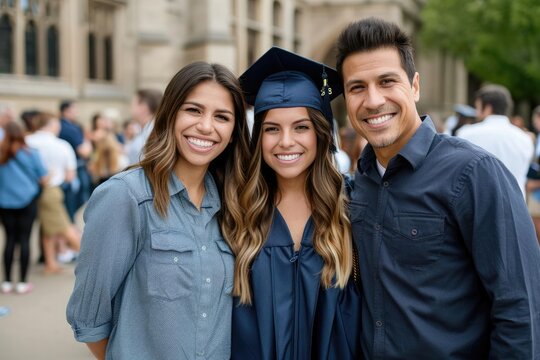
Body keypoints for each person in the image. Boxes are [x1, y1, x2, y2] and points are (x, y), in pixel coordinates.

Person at [335, 17, 540, 358]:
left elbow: (522, 310)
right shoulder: (362, 182)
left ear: (414, 86)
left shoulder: (474, 173)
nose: (373, 100)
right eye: (357, 87)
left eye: (387, 81)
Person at [66, 62, 250, 360]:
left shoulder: (233, 205)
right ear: (170, 114)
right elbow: (90, 318)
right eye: (193, 110)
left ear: (233, 132)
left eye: (222, 117)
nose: (206, 126)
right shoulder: (126, 196)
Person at [229, 47, 360, 359]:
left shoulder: (352, 204)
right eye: (272, 129)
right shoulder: (237, 208)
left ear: (320, 132)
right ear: (257, 137)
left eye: (301, 127)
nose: (285, 141)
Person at [26, 112, 81, 273]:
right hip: (52, 189)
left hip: (29, 191)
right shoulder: (62, 145)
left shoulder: (26, 141)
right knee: (66, 228)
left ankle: (50, 263)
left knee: (47, 228)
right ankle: (94, 264)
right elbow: (70, 175)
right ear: (50, 124)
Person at [457, 84, 534, 196]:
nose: (476, 112)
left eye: (477, 107)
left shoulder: (466, 133)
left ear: (488, 108)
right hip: (516, 205)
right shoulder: (525, 139)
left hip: (478, 203)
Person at [0, 122, 47, 294]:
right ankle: (22, 283)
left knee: (9, 239)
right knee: (25, 240)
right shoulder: (31, 153)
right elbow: (43, 177)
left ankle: (5, 282)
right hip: (27, 200)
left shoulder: (2, 153)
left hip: (4, 202)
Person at [58, 100, 93, 221]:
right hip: (74, 169)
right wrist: (87, 140)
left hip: (63, 170)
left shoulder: (61, 126)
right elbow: (84, 151)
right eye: (74, 110)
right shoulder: (70, 128)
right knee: (77, 199)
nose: (77, 113)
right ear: (66, 111)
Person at [125, 88, 163, 165]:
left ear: (143, 107)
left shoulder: (153, 133)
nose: (130, 108)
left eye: (133, 104)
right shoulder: (147, 130)